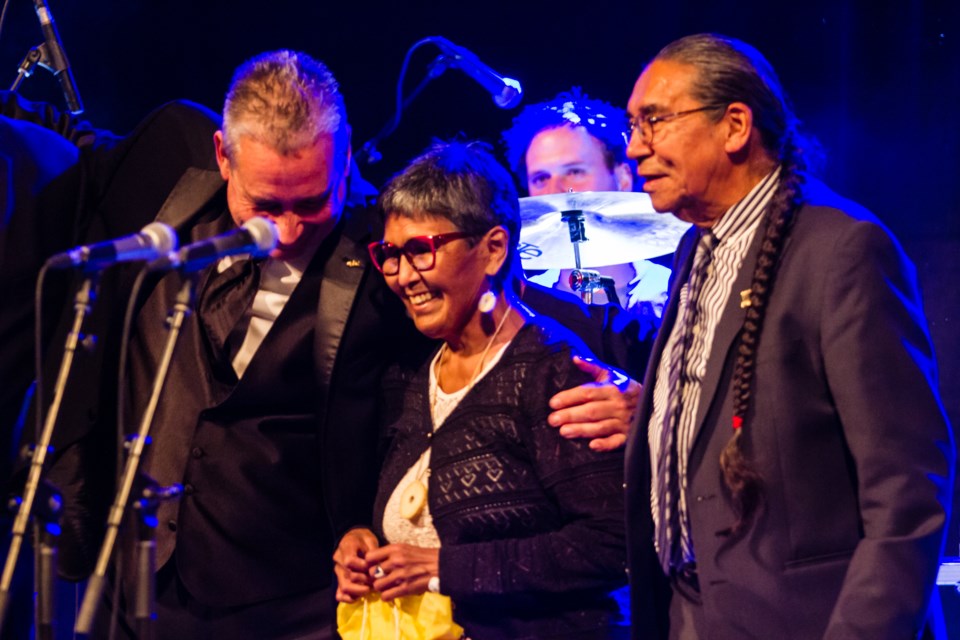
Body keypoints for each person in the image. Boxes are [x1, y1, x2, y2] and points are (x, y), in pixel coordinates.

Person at [2, 52, 639, 638]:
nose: (284, 230)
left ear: (345, 160)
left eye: (312, 202)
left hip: (293, 606)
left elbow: (497, 292)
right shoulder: (162, 170)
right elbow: (59, 143)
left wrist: (640, 390)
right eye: (265, 203)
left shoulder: (381, 245)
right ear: (224, 156)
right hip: (132, 587)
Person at [622, 34, 955, 639]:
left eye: (654, 121)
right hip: (691, 615)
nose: (634, 147)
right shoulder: (695, 250)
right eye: (632, 126)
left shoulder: (842, 250)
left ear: (735, 126)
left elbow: (907, 490)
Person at [334, 141, 629, 639]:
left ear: (493, 248)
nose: (404, 276)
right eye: (390, 254)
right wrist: (363, 541)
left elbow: (610, 544)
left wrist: (442, 568)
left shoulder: (553, 370)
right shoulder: (412, 373)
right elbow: (421, 515)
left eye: (421, 250)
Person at [502, 88, 671, 321]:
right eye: (541, 179)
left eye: (574, 172)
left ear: (622, 179)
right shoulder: (522, 306)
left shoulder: (674, 293)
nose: (555, 191)